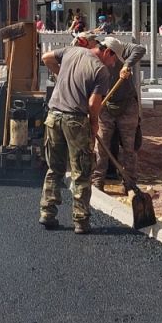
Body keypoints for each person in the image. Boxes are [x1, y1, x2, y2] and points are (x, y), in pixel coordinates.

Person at [39, 36, 119, 234]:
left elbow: (46, 57)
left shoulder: (70, 51)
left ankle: (47, 212)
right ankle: (81, 220)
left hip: (53, 116)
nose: (114, 64)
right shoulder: (101, 70)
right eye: (115, 60)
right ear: (108, 52)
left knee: (54, 168)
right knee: (81, 172)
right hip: (75, 120)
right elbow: (93, 104)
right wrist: (93, 125)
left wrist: (62, 75)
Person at [90, 36, 141, 200]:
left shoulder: (118, 47)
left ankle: (130, 183)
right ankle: (97, 182)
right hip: (105, 104)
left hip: (127, 104)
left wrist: (126, 65)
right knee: (101, 146)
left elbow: (139, 49)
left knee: (129, 148)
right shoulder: (93, 57)